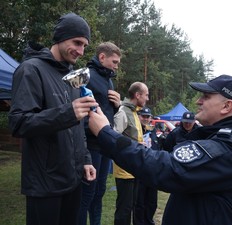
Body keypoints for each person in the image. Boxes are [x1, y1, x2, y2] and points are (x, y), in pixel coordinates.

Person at [88, 74, 232, 225]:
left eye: (206, 96)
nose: (198, 101)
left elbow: (165, 168)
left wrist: (106, 134)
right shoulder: (228, 139)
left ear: (227, 106)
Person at [8, 13, 97, 225]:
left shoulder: (72, 74)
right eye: (77, 42)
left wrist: (85, 159)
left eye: (84, 45)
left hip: (73, 179)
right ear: (60, 37)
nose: (81, 51)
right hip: (44, 184)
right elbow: (19, 122)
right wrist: (68, 113)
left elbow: (77, 124)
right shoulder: (31, 69)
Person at [78, 42, 122, 225]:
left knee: (100, 191)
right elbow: (76, 109)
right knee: (87, 193)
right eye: (114, 61)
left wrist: (118, 105)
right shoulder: (84, 76)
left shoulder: (109, 79)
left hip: (105, 144)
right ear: (102, 57)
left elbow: (105, 111)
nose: (116, 66)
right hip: (90, 143)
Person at [113, 82, 149, 225]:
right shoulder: (123, 111)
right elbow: (114, 137)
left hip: (134, 167)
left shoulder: (134, 111)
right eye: (146, 94)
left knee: (132, 205)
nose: (147, 98)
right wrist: (135, 144)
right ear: (137, 95)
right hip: (124, 169)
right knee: (124, 209)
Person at [134, 107, 160, 225]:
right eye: (143, 116)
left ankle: (149, 221)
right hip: (139, 169)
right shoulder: (135, 129)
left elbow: (157, 146)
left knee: (152, 201)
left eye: (147, 116)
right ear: (139, 116)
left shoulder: (152, 130)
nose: (145, 119)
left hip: (152, 169)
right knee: (139, 201)